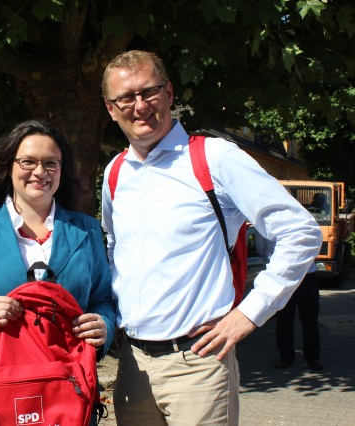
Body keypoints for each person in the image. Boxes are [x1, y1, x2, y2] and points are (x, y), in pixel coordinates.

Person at [100, 50, 323, 425]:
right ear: (111, 108)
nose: (139, 106)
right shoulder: (115, 172)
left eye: (149, 92)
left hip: (197, 365)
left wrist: (249, 314)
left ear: (169, 93)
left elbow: (300, 232)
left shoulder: (215, 158)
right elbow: (113, 246)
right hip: (131, 366)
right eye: (126, 97)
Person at [0, 120, 117, 426]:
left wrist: (104, 327)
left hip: (66, 394)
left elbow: (103, 300)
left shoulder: (86, 229)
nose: (40, 172)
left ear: (62, 170)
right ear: (9, 166)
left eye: (51, 163)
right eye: (28, 162)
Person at [255, 234, 322, 371]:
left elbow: (315, 244)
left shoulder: (301, 220)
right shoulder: (264, 225)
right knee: (284, 319)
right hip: (281, 277)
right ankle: (285, 357)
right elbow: (261, 249)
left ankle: (312, 358)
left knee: (310, 319)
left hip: (306, 275)